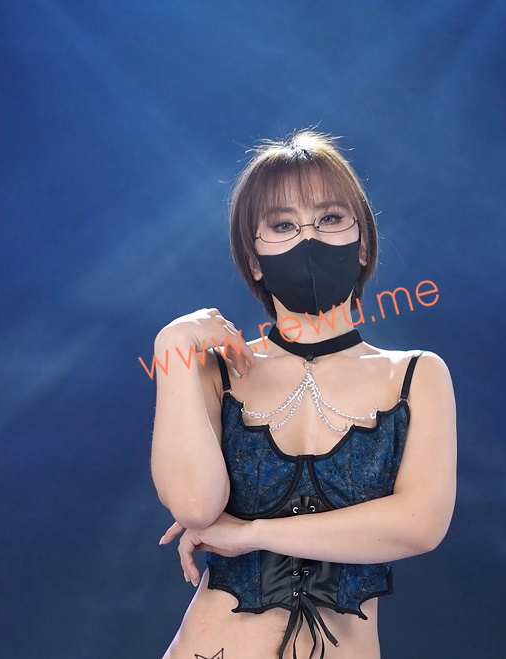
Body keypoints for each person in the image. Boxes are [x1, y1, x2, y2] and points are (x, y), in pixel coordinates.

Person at [152, 129, 457, 659]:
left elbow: (419, 526)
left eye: (330, 218)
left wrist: (251, 533)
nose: (308, 239)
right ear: (253, 259)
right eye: (283, 225)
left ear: (363, 244)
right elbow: (196, 506)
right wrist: (171, 346)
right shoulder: (215, 373)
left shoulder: (416, 375)